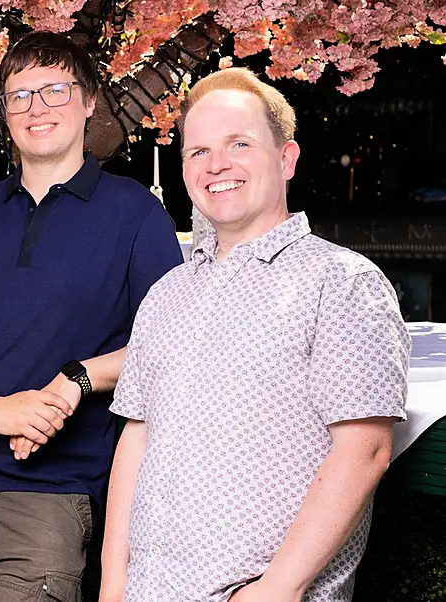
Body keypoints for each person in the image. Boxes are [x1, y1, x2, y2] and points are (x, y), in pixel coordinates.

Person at [0, 31, 183, 600]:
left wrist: (77, 379)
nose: (36, 108)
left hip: (49, 500)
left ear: (89, 99)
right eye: (19, 96)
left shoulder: (137, 215)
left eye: (53, 90)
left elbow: (168, 349)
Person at [101, 67, 412, 602]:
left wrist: (279, 588)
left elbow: (364, 448)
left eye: (238, 144)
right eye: (198, 151)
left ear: (287, 159)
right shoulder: (167, 293)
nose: (216, 164)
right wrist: (112, 581)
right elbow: (137, 439)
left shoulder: (342, 282)